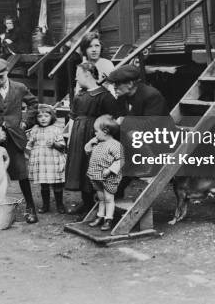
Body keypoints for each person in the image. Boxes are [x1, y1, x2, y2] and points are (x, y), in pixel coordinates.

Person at [0, 58, 39, 223]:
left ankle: (30, 207)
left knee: (21, 172)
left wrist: (25, 121)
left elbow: (33, 104)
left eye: (1, 76)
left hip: (14, 137)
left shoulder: (19, 88)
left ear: (7, 72)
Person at [64, 62, 126, 218]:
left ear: (87, 74)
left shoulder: (104, 96)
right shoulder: (80, 95)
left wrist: (104, 138)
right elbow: (72, 118)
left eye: (78, 75)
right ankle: (86, 205)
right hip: (79, 137)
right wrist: (70, 138)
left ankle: (94, 207)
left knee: (93, 169)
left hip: (94, 136)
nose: (76, 79)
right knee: (80, 168)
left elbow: (116, 118)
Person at [106, 64, 169, 199]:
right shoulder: (123, 96)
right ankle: (113, 194)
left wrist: (124, 121)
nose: (115, 87)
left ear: (129, 83)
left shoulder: (152, 95)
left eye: (117, 84)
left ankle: (150, 165)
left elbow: (152, 124)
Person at [85, 115, 123, 231]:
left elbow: (120, 160)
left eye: (96, 132)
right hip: (96, 176)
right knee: (100, 198)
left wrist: (110, 169)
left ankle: (108, 219)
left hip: (108, 178)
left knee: (108, 198)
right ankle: (99, 216)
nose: (95, 134)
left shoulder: (115, 145)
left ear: (105, 131)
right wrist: (91, 142)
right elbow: (87, 150)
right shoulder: (98, 143)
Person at [26, 104, 66, 214]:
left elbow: (62, 145)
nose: (43, 119)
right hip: (41, 161)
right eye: (40, 116)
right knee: (44, 185)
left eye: (46, 116)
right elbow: (30, 144)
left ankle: (60, 204)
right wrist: (27, 154)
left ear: (51, 117)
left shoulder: (56, 129)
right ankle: (45, 205)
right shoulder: (34, 129)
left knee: (57, 184)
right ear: (36, 118)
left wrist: (54, 144)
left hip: (53, 161)